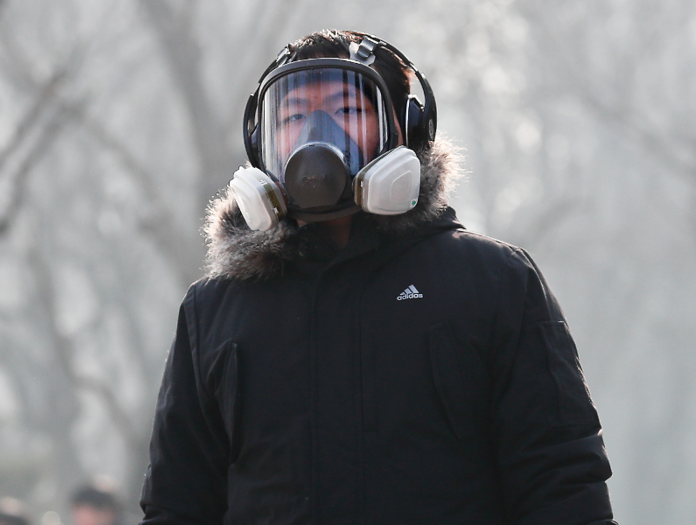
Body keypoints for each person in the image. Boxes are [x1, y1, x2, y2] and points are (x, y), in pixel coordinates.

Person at [139, 29, 617, 524]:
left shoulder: (495, 283)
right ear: (262, 143)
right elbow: (176, 505)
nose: (316, 134)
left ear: (407, 130)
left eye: (347, 112)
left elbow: (562, 485)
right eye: (293, 115)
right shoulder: (214, 311)